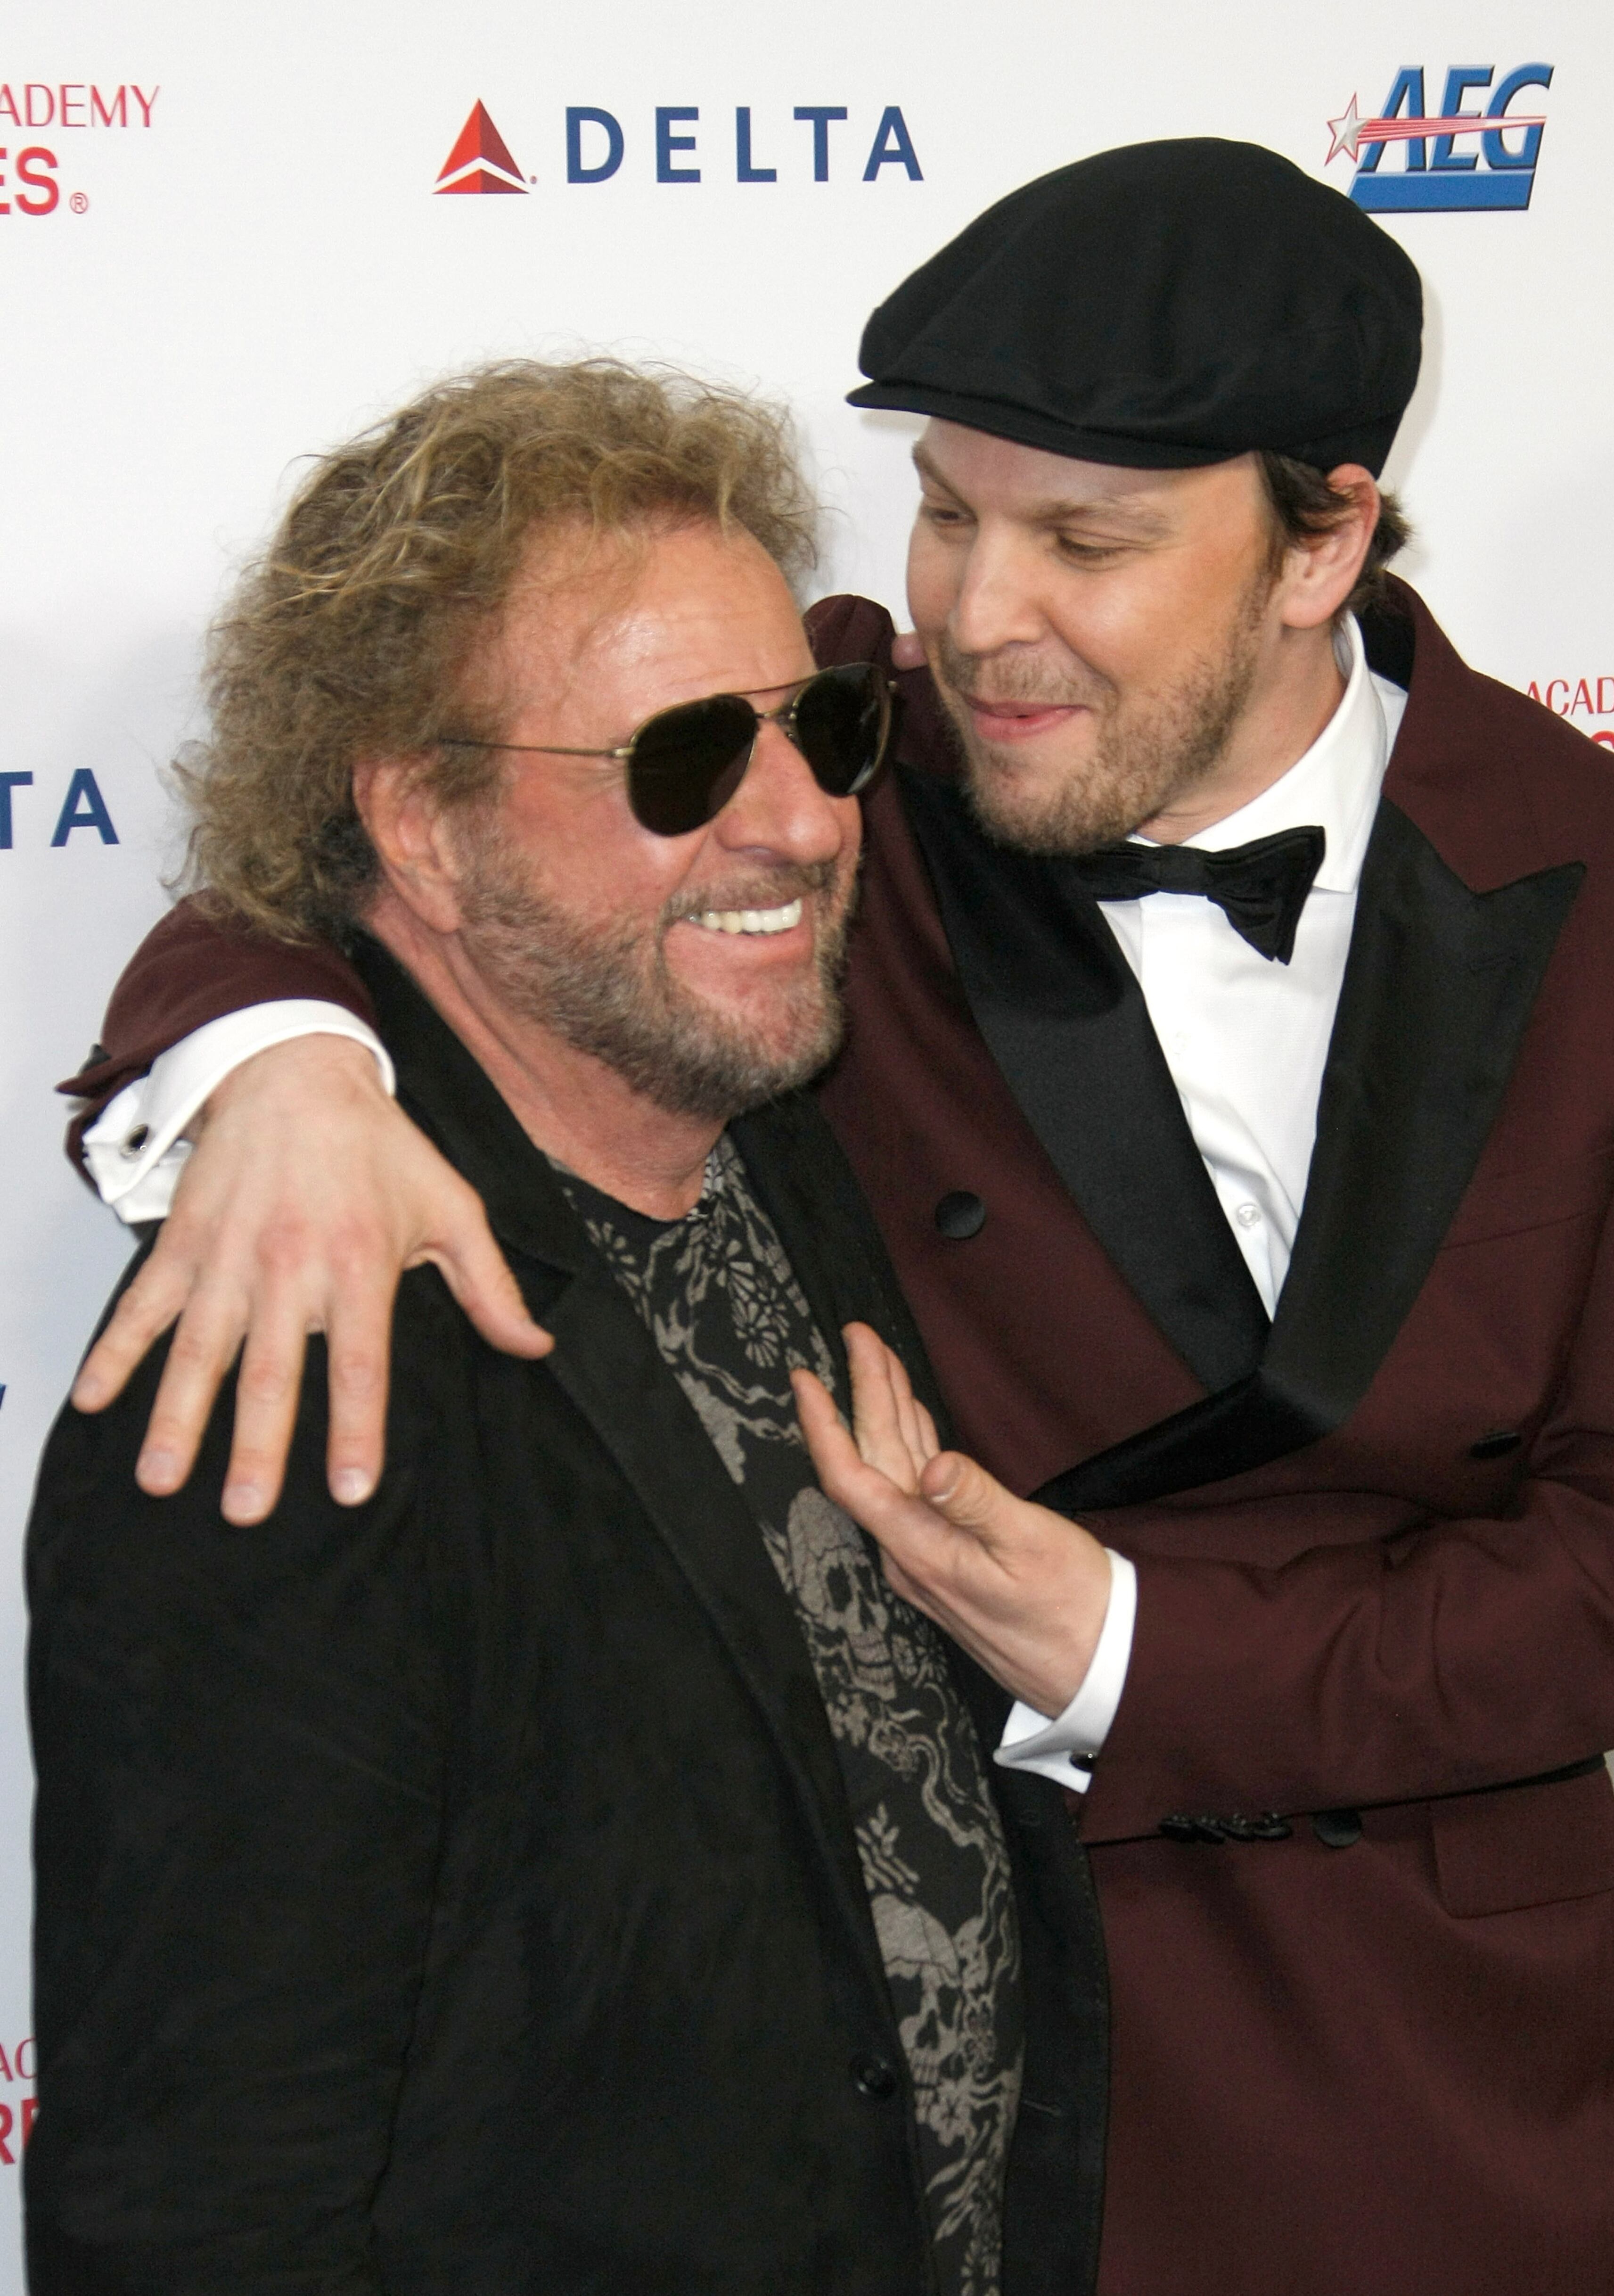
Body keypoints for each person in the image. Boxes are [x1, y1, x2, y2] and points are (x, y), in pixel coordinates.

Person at [61, 140, 1614, 2293]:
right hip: (934, 2092)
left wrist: (1134, 1650)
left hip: (1425, 2074)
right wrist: (277, 1062)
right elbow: (413, 824)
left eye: (1087, 541)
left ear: (1324, 540)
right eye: (949, 511)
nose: (981, 619)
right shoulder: (836, 754)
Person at [27, 359, 1107, 2295]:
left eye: (821, 729)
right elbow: (201, 2205)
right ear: (425, 827)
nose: (804, 824)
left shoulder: (765, 1133)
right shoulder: (302, 1346)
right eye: (683, 760)